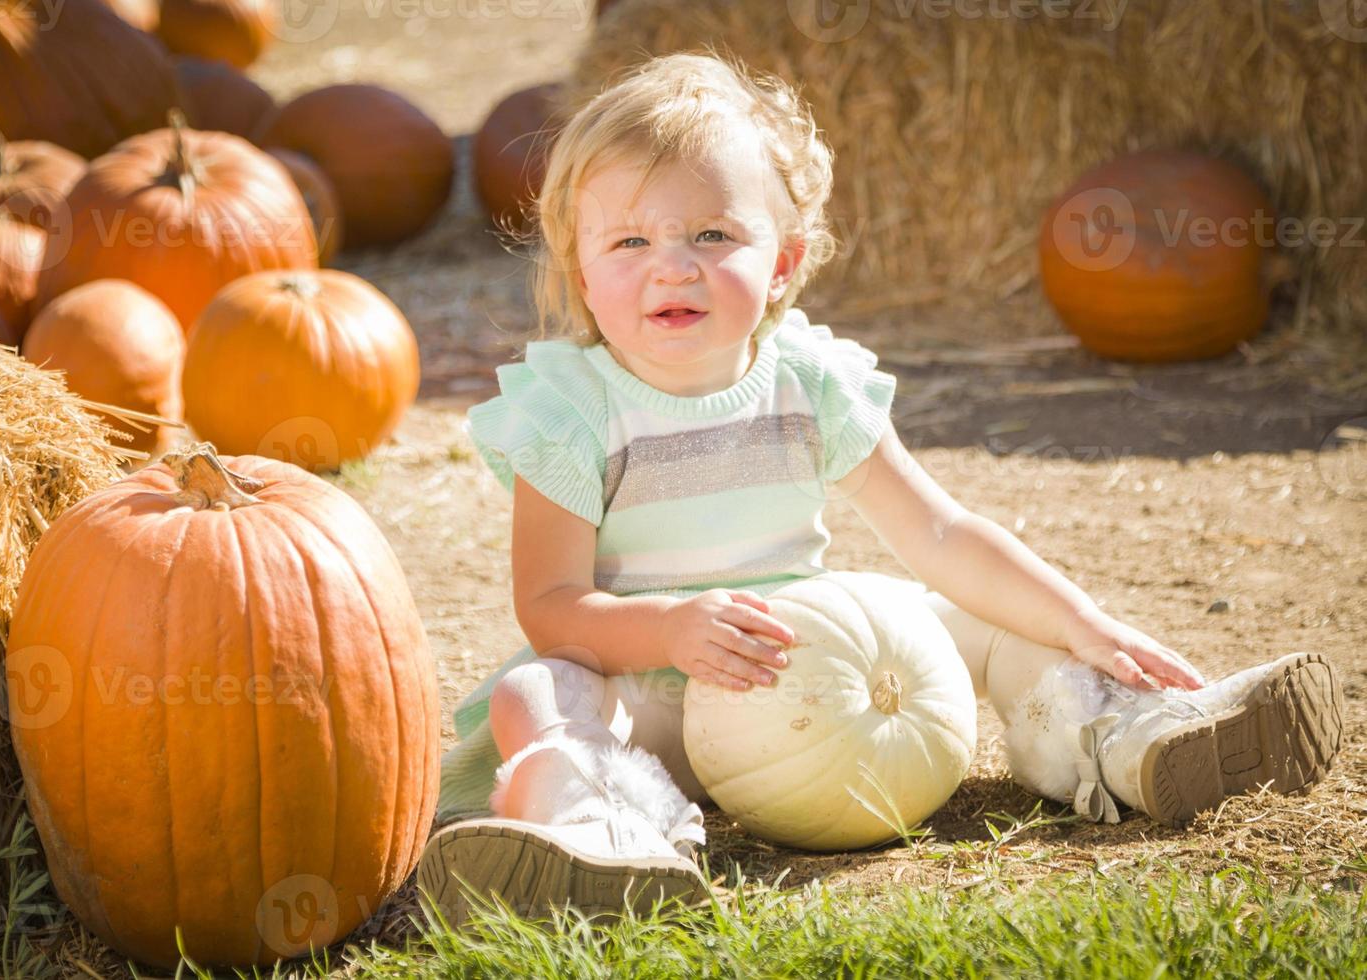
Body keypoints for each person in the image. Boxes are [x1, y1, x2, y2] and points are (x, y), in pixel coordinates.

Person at [414, 49, 1344, 928]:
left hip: (818, 671)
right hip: (654, 698)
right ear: (581, 265)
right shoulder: (571, 409)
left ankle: (1126, 733)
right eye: (629, 240)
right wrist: (668, 629)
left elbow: (938, 532)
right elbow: (550, 606)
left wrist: (1080, 620)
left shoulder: (809, 381)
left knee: (981, 620)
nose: (673, 264)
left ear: (782, 259)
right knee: (542, 683)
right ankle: (597, 827)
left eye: (712, 233)